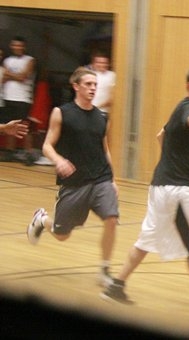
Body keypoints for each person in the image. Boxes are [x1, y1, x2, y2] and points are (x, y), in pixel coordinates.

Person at [100, 66, 189, 320]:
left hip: (163, 185)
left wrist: (169, 161)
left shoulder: (181, 108)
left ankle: (116, 286)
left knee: (147, 239)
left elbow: (160, 135)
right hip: (177, 189)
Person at [26, 67, 119, 288]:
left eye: (95, 85)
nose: (93, 88)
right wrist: (59, 160)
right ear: (76, 86)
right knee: (61, 235)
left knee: (112, 219)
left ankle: (105, 269)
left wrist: (113, 180)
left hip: (101, 179)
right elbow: (47, 145)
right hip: (74, 184)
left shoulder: (102, 117)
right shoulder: (61, 113)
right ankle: (42, 220)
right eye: (88, 84)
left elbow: (105, 149)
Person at [2, 36, 37, 165]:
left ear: (24, 46)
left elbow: (23, 77)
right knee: (9, 125)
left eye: (19, 45)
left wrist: (10, 74)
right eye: (15, 45)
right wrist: (14, 76)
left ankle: (29, 153)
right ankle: (10, 151)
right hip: (8, 97)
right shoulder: (7, 60)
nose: (17, 47)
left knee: (24, 126)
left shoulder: (30, 60)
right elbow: (4, 78)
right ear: (12, 46)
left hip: (22, 98)